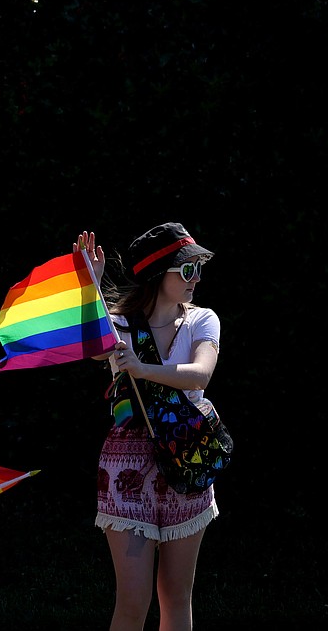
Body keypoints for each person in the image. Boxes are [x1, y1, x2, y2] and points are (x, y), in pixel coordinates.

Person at [75, 223, 220, 631]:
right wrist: (93, 287)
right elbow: (91, 349)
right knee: (133, 601)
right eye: (186, 270)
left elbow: (200, 375)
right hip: (127, 466)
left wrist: (141, 369)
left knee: (176, 597)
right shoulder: (119, 324)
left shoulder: (203, 320)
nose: (196, 279)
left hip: (187, 458)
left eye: (198, 269)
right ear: (159, 274)